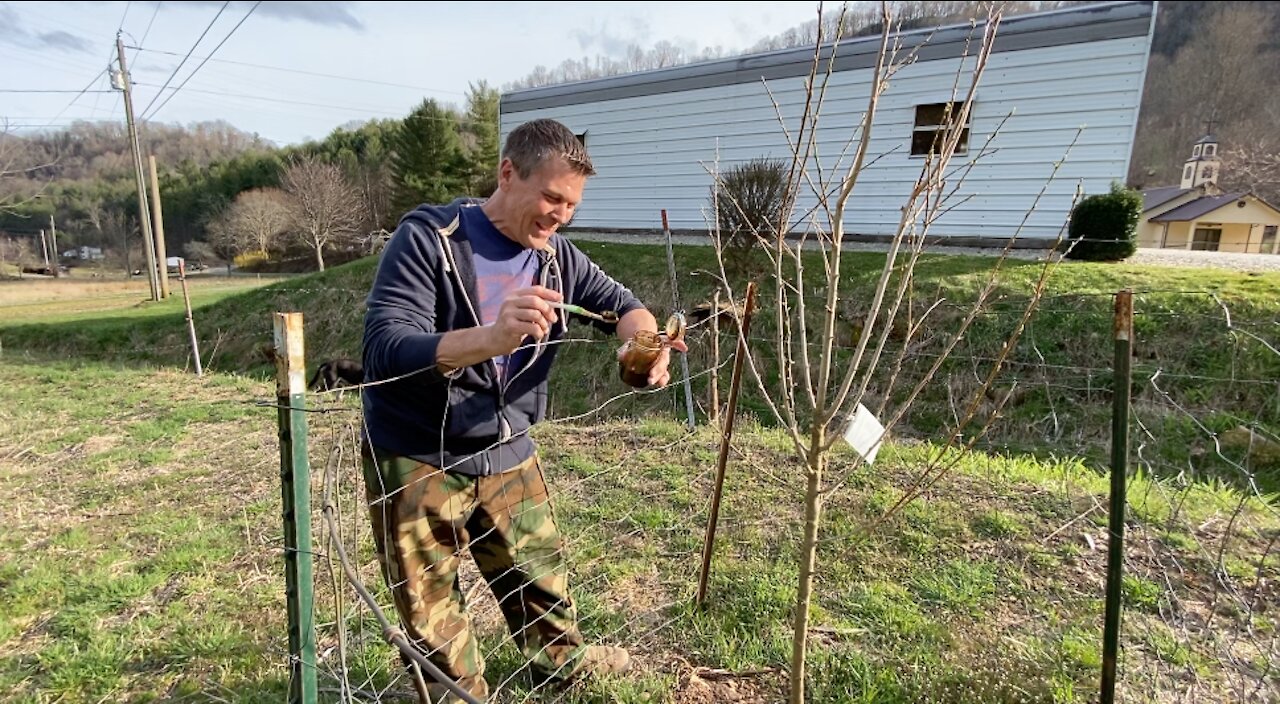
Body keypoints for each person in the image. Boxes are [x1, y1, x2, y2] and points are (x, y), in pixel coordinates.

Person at [360, 118, 688, 703]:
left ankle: (565, 667)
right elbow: (385, 348)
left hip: (507, 447)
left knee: (540, 576)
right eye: (552, 197)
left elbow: (626, 306)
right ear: (508, 174)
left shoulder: (555, 256)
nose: (561, 214)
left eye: (572, 204)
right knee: (431, 605)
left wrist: (646, 345)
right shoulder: (430, 240)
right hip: (417, 454)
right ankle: (456, 693)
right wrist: (488, 337)